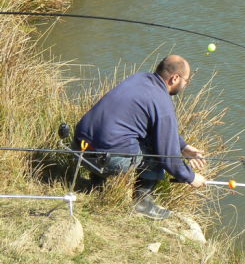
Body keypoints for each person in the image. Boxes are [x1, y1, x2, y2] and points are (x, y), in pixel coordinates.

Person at [74, 55, 207, 220]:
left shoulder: (139, 78)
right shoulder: (162, 102)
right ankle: (142, 202)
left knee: (126, 137)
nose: (186, 85)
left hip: (79, 147)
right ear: (174, 78)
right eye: (187, 81)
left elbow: (155, 127)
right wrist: (191, 177)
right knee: (157, 151)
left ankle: (96, 183)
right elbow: (168, 157)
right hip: (106, 160)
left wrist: (183, 146)